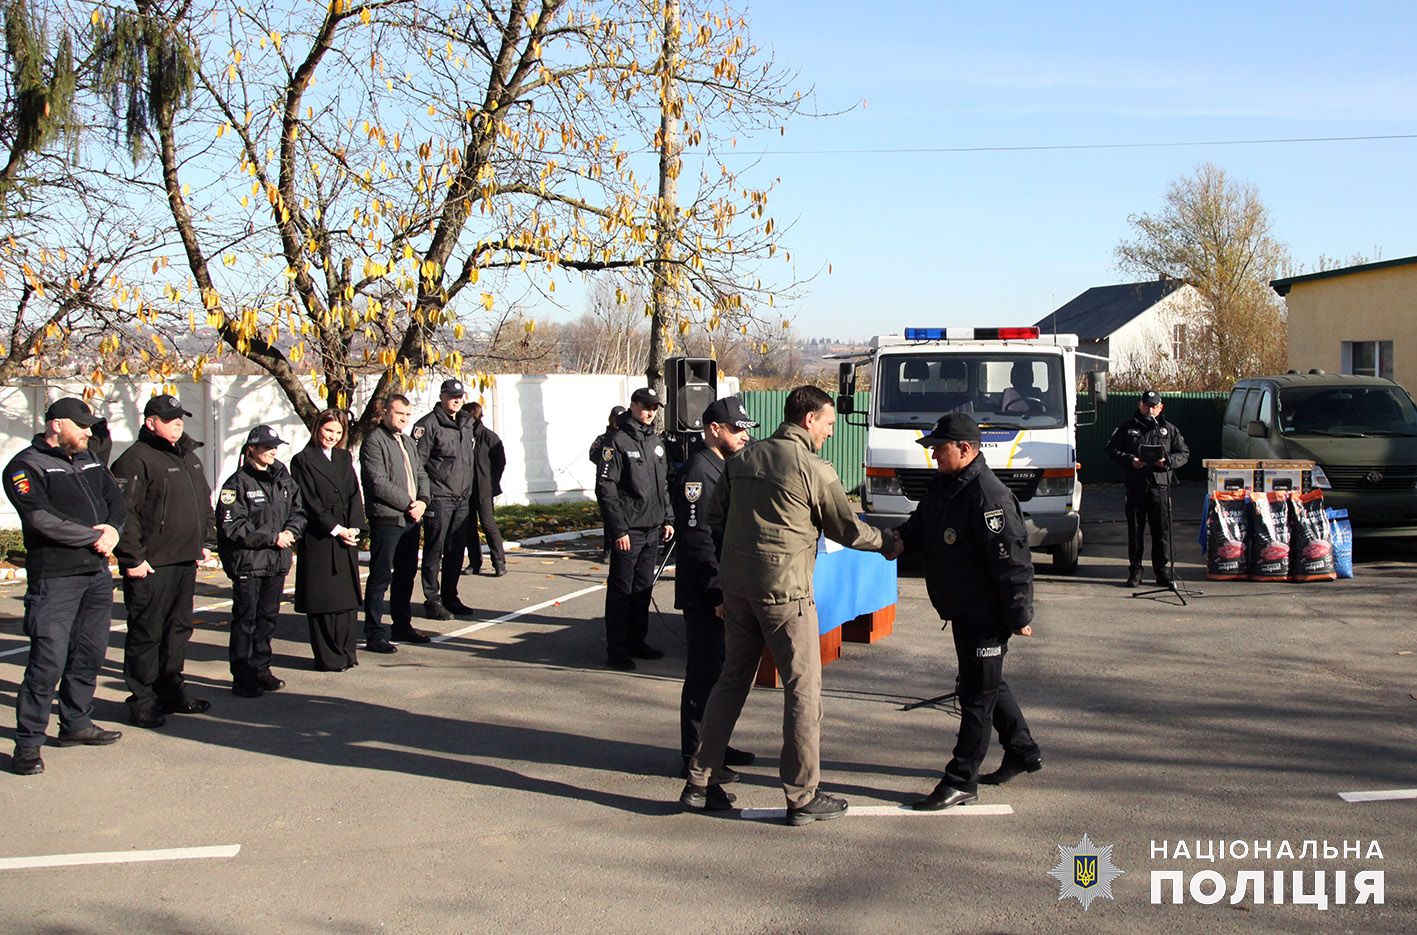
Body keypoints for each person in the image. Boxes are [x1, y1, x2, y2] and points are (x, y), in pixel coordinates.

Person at [681, 385, 896, 826]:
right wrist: (889, 543)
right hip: (786, 596)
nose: (830, 433)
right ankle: (801, 796)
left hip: (738, 591)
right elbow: (847, 529)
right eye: (829, 424)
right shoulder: (812, 467)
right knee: (803, 690)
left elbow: (716, 517)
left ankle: (699, 782)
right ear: (808, 419)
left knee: (730, 681)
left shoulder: (741, 460)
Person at [894, 412, 1042, 810]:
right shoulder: (947, 484)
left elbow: (1013, 561)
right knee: (985, 682)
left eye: (939, 449)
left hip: (986, 613)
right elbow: (920, 524)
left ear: (965, 448)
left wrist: (1019, 614)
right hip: (963, 608)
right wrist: (895, 542)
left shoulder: (988, 496)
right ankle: (1022, 750)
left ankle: (961, 779)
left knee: (977, 696)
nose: (934, 457)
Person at [5, 398, 126, 776]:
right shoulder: (25, 466)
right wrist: (92, 537)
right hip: (56, 577)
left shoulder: (89, 459)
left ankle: (75, 723)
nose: (89, 432)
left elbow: (115, 499)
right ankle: (27, 744)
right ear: (56, 425)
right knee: (47, 662)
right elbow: (41, 518)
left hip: (95, 573)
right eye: (82, 425)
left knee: (89, 653)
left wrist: (113, 531)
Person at [111, 394, 216, 729]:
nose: (177, 424)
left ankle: (171, 691)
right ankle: (142, 701)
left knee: (178, 631)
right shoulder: (136, 459)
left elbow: (204, 501)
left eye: (180, 418)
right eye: (169, 419)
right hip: (151, 564)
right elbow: (122, 514)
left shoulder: (189, 457)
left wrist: (205, 541)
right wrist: (133, 558)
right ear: (150, 422)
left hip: (185, 561)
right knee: (147, 634)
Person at [670, 395, 758, 778]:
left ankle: (715, 744)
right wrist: (717, 591)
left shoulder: (725, 467)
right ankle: (696, 756)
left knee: (723, 672)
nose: (742, 436)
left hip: (725, 585)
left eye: (744, 429)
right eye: (736, 429)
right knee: (704, 673)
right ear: (714, 430)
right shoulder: (698, 472)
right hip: (707, 590)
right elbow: (697, 540)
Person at [215, 425, 307, 697]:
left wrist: (291, 531)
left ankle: (261, 669)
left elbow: (299, 511)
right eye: (267, 446)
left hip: (277, 562)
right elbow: (232, 526)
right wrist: (272, 537)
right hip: (249, 563)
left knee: (268, 619)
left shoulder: (284, 479)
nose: (273, 451)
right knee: (246, 620)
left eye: (275, 446)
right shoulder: (237, 483)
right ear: (252, 449)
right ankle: (243, 676)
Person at [595, 388, 674, 671]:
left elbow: (662, 485)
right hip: (629, 530)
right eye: (646, 406)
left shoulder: (656, 441)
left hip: (653, 527)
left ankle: (636, 641)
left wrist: (668, 518)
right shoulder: (617, 441)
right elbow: (606, 489)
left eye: (655, 407)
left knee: (642, 589)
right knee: (621, 591)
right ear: (633, 405)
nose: (651, 412)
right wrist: (618, 530)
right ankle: (616, 649)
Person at [291, 409, 366, 672]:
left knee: (346, 599)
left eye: (337, 432)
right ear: (317, 429)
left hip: (347, 533)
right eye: (327, 430)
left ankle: (347, 651)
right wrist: (335, 528)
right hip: (321, 536)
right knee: (323, 599)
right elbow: (308, 501)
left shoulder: (344, 457)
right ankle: (328, 656)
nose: (332, 437)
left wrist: (355, 527)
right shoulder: (302, 460)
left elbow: (355, 492)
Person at [361, 393, 432, 652]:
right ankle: (374, 632)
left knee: (406, 574)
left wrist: (423, 500)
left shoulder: (408, 441)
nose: (403, 418)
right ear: (385, 412)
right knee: (380, 577)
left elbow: (421, 473)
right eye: (399, 413)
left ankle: (402, 625)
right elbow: (377, 482)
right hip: (388, 518)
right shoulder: (373, 441)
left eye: (407, 414)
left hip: (412, 519)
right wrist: (408, 504)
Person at [1105, 389, 1191, 587]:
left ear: (1161, 407)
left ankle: (1162, 572)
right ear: (1140, 405)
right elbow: (1110, 449)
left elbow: (1184, 453)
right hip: (1136, 486)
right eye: (1146, 405)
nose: (1149, 409)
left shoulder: (1168, 430)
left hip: (1159, 487)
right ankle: (1135, 571)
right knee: (1135, 532)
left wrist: (1168, 461)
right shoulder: (1127, 428)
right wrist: (1130, 460)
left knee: (1161, 532)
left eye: (1154, 406)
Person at [412, 379, 477, 618]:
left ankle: (451, 595)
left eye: (459, 396)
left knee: (456, 551)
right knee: (434, 550)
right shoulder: (428, 425)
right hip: (439, 498)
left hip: (461, 498)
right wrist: (424, 497)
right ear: (441, 396)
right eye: (452, 396)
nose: (456, 400)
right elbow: (418, 466)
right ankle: (432, 600)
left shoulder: (467, 423)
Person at [464, 400, 507, 577]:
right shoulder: (463, 436)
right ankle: (475, 563)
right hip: (465, 489)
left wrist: (491, 482)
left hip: (484, 489)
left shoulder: (489, 437)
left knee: (488, 524)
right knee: (468, 527)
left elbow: (500, 462)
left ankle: (499, 561)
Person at [590, 405, 627, 565]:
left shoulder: (627, 438)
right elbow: (593, 455)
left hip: (624, 486)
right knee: (609, 517)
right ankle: (608, 549)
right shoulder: (603, 439)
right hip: (608, 483)